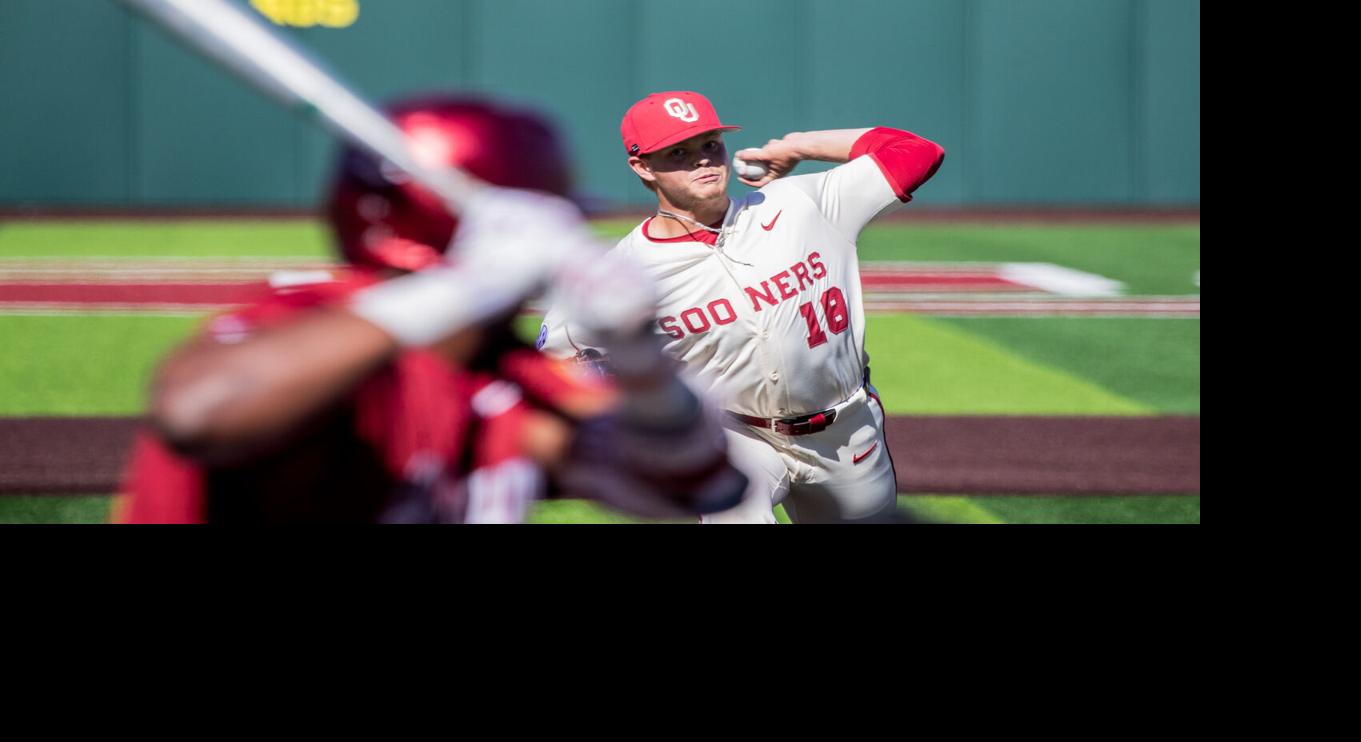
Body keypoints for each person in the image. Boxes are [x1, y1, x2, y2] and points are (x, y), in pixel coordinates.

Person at [115, 96, 747, 524]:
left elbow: (699, 483)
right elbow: (197, 413)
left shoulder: (503, 371)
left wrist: (640, 354)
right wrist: (470, 284)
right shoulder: (307, 320)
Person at [538, 91, 944, 523]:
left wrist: (798, 145)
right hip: (735, 436)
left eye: (710, 144)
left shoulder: (799, 204)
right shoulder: (621, 272)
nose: (703, 160)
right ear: (642, 167)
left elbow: (917, 151)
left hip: (846, 432)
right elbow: (550, 363)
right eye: (679, 152)